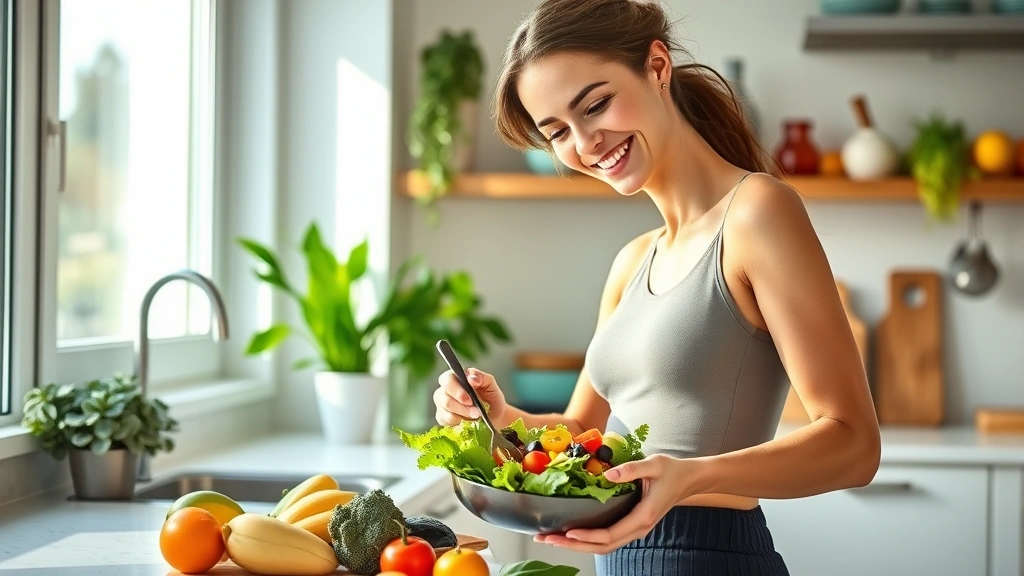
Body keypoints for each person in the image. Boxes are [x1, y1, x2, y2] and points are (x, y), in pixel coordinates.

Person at [432, 0, 882, 574]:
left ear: (658, 66)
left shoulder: (756, 214)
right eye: (558, 133)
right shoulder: (632, 261)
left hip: (709, 556)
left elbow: (853, 445)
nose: (585, 143)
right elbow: (584, 431)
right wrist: (498, 415)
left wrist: (689, 477)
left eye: (595, 105)